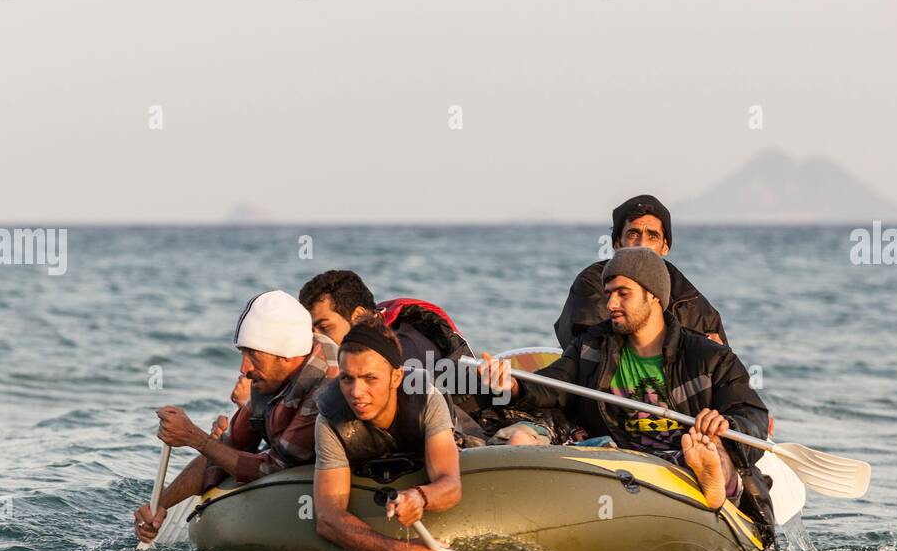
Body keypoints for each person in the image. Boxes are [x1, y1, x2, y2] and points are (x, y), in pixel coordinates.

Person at [480, 247, 769, 513]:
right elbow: (554, 385)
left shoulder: (710, 357)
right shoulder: (592, 347)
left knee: (713, 451)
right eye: (608, 294)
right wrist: (514, 385)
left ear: (653, 294)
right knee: (521, 436)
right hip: (614, 455)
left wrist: (729, 425)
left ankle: (717, 487)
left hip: (681, 455)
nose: (610, 304)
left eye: (623, 293)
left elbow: (752, 415)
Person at [132, 290, 337, 544]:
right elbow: (225, 449)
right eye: (243, 353)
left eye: (253, 355)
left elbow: (271, 469)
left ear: (286, 354)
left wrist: (195, 438)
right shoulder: (268, 376)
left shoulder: (327, 385)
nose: (244, 368)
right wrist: (159, 508)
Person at [312, 316, 462, 551]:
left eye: (370, 378)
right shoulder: (329, 418)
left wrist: (419, 497)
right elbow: (328, 518)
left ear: (396, 378)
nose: (357, 393)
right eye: (347, 379)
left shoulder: (427, 399)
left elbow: (451, 484)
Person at [298, 269, 493, 445]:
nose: (316, 340)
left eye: (324, 328)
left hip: (469, 434)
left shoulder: (405, 350)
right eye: (310, 331)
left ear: (358, 316)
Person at [553, 194, 728, 349]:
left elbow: (726, 370)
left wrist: (714, 353)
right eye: (633, 234)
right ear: (617, 244)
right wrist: (695, 345)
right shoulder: (593, 283)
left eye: (652, 236)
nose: (642, 244)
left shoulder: (692, 302)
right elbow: (593, 347)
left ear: (665, 246)